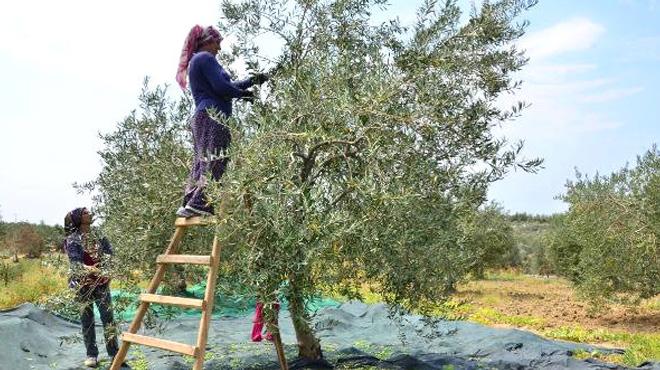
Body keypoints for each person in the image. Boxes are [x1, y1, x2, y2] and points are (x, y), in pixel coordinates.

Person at [175, 25, 269, 218]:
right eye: (218, 43)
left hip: (203, 116)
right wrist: (242, 94)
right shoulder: (205, 58)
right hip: (213, 116)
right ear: (208, 41)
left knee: (203, 160)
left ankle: (190, 200)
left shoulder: (197, 61)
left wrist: (252, 81)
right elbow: (222, 87)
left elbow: (226, 86)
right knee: (217, 157)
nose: (219, 48)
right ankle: (201, 203)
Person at [63, 207, 126, 368]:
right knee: (87, 321)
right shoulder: (73, 239)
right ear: (79, 218)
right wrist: (91, 269)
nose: (89, 214)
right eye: (85, 212)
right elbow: (75, 263)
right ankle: (92, 355)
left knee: (108, 319)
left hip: (101, 283)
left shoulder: (99, 235)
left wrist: (108, 270)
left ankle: (114, 354)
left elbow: (109, 255)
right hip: (82, 285)